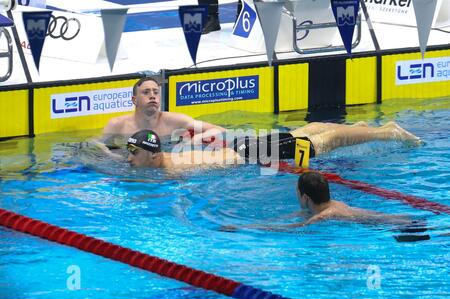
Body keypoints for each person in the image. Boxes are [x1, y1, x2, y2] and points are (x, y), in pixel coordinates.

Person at [126, 121, 421, 169]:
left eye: (134, 154)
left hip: (251, 154)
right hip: (246, 147)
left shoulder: (168, 170)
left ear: (154, 157)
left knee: (320, 144)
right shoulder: (159, 162)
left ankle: (386, 132)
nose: (129, 160)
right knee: (306, 130)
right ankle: (357, 129)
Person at [221, 172, 427, 233]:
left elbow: (287, 228)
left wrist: (241, 229)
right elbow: (286, 219)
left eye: (296, 192)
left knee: (421, 228)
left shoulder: (323, 216)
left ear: (305, 198)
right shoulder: (328, 205)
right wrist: (245, 223)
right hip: (387, 218)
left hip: (392, 225)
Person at [102, 77, 225, 148]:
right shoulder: (117, 125)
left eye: (156, 92)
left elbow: (220, 130)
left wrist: (198, 138)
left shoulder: (176, 121)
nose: (152, 96)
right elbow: (98, 147)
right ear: (134, 100)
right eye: (146, 92)